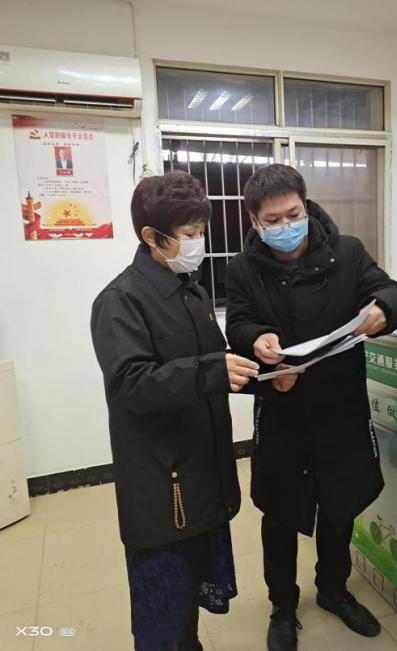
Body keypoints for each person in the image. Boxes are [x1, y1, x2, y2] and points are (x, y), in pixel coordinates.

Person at [225, 164, 397, 651]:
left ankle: (333, 590)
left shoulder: (347, 253)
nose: (286, 226)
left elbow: (395, 292)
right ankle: (283, 606)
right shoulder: (243, 269)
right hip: (282, 410)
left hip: (339, 410)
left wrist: (384, 309)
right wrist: (257, 340)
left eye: (293, 214)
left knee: (338, 508)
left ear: (306, 206)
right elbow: (238, 323)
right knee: (280, 515)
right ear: (253, 221)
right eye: (273, 220)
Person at [90, 171, 259, 651]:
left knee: (192, 593)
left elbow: (210, 365)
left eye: (201, 231)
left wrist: (260, 374)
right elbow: (131, 383)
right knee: (162, 608)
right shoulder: (120, 301)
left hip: (202, 467)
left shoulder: (191, 291)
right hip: (163, 482)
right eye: (189, 234)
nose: (198, 243)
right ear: (152, 237)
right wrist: (211, 371)